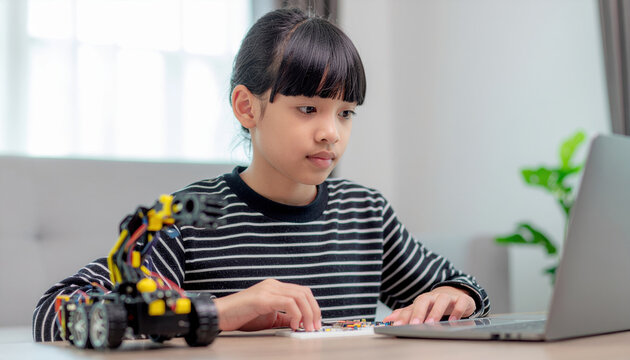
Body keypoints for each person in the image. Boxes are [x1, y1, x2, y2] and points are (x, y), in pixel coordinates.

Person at [33, 8, 490, 342]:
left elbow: (469, 292)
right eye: (307, 108)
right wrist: (220, 311)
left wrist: (457, 297)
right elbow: (54, 311)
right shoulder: (189, 219)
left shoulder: (365, 213)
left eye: (346, 113)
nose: (331, 132)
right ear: (247, 107)